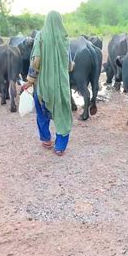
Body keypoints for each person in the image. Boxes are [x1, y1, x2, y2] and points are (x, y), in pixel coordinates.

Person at [23, 11, 73, 156]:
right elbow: (69, 65)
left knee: (41, 114)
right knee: (62, 113)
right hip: (60, 86)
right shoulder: (65, 38)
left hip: (42, 86)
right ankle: (60, 147)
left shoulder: (40, 36)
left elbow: (36, 60)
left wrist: (29, 81)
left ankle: (46, 140)